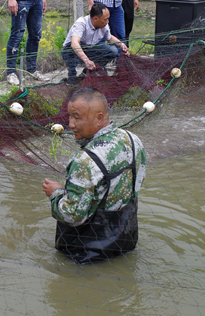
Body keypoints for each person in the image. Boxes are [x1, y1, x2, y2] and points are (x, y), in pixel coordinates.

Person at [42, 87, 147, 264]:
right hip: (126, 240)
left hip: (89, 252)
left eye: (77, 117)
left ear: (99, 117)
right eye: (70, 116)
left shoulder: (84, 160)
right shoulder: (132, 139)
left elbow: (72, 216)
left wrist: (56, 193)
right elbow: (135, 186)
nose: (71, 124)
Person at [62, 3, 129, 84]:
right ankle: (71, 77)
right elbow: (74, 43)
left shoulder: (104, 25)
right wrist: (87, 61)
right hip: (72, 52)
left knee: (112, 50)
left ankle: (87, 71)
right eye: (105, 19)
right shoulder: (81, 23)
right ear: (96, 18)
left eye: (108, 19)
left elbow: (110, 38)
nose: (107, 22)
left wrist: (122, 45)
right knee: (71, 50)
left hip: (90, 49)